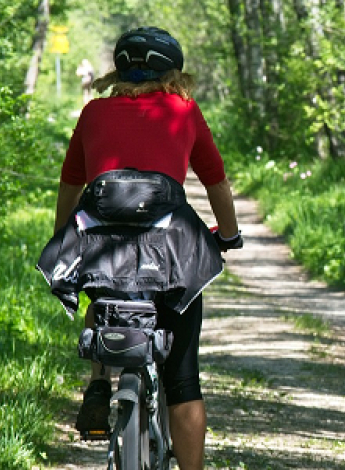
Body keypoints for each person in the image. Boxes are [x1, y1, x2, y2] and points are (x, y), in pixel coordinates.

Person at [48, 27, 242, 470]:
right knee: (183, 380)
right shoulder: (184, 111)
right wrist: (227, 234)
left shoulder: (94, 113)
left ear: (118, 70)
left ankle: (99, 377)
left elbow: (70, 185)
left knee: (101, 291)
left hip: (102, 251)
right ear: (173, 72)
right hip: (170, 256)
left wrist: (62, 237)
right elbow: (215, 181)